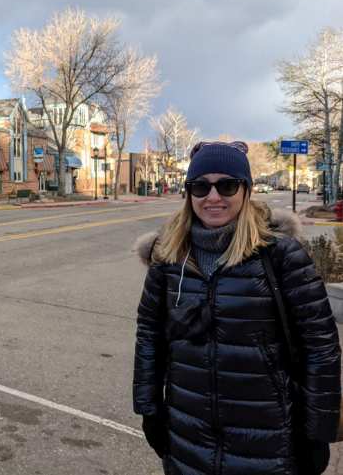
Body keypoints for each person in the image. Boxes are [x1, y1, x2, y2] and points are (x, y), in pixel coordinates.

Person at [133, 141, 341, 475]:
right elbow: (148, 337)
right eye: (200, 186)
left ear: (245, 189)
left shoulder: (281, 255)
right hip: (188, 435)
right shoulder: (169, 256)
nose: (212, 197)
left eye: (226, 185)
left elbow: (321, 346)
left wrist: (318, 430)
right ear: (189, 194)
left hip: (269, 441)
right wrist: (149, 409)